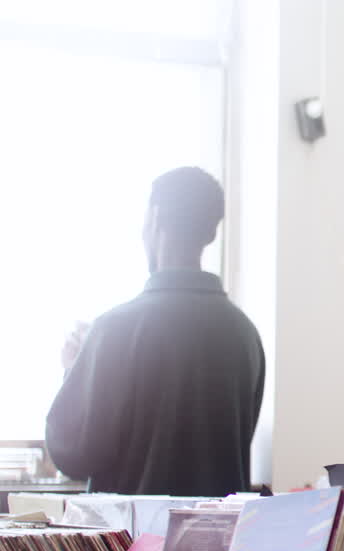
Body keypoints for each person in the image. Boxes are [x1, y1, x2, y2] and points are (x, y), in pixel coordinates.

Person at [45, 167, 265, 496]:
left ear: (155, 217)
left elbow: (73, 455)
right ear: (211, 233)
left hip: (133, 543)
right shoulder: (245, 336)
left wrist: (72, 368)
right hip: (221, 543)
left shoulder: (115, 329)